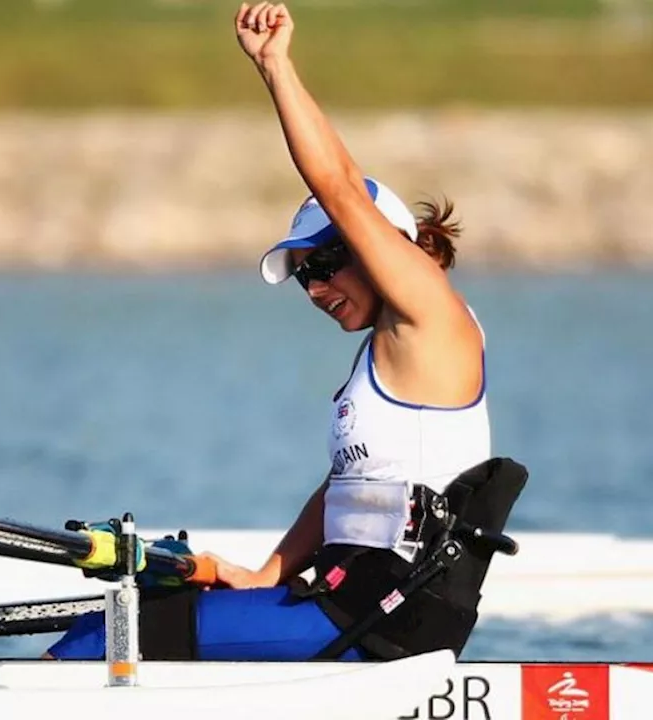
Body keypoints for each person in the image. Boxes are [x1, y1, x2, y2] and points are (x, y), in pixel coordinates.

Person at [44, 1, 494, 663]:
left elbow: (339, 186)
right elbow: (344, 486)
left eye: (324, 264)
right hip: (351, 601)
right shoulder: (387, 358)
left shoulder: (432, 317)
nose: (313, 289)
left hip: (386, 614)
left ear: (382, 250)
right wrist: (266, 575)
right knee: (140, 613)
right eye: (302, 276)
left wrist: (274, 66)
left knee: (102, 639)